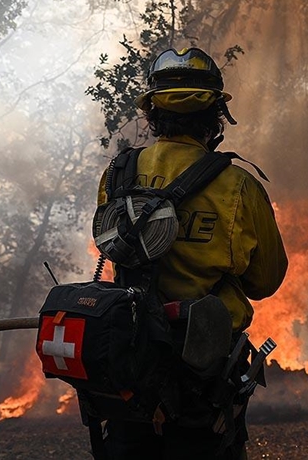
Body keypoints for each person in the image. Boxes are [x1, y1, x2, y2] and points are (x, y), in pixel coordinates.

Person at [95, 47, 289, 459]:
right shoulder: (239, 187)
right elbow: (265, 282)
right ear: (216, 117)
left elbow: (111, 245)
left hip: (129, 361)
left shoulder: (117, 175)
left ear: (151, 114)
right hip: (204, 370)